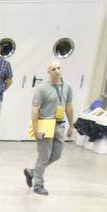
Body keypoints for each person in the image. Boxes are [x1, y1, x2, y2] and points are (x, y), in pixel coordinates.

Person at [26, 61, 74, 197]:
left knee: (57, 155)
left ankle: (31, 172)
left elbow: (69, 106)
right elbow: (35, 110)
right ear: (49, 72)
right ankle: (38, 185)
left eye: (58, 68)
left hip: (59, 124)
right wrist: (35, 129)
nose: (57, 71)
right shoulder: (42, 89)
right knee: (43, 156)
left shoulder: (67, 87)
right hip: (44, 124)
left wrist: (72, 124)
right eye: (53, 69)